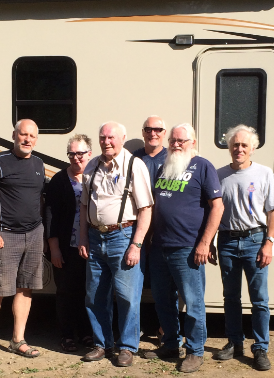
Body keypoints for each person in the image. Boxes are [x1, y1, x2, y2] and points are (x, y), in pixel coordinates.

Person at [143, 123, 224, 373]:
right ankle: (169, 344)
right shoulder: (164, 167)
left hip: (187, 248)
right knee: (163, 301)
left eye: (182, 140)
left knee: (193, 302)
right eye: (174, 140)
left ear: (193, 143)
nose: (176, 144)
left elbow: (217, 207)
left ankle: (195, 350)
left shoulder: (203, 166)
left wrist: (205, 242)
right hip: (159, 247)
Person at [79, 121, 154, 367]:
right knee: (95, 295)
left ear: (122, 138)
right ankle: (102, 344)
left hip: (123, 237)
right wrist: (82, 237)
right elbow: (83, 208)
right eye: (102, 137)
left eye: (111, 137)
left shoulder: (134, 165)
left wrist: (137, 245)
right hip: (94, 237)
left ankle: (127, 347)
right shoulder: (91, 166)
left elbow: (145, 209)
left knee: (127, 296)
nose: (106, 141)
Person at [215, 124, 274, 371]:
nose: (239, 149)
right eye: (235, 144)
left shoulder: (265, 174)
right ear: (229, 147)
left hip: (256, 241)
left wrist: (269, 243)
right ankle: (235, 342)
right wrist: (211, 242)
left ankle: (260, 348)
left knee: (260, 300)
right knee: (231, 297)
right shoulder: (219, 175)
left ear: (252, 148)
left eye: (244, 145)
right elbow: (213, 212)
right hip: (227, 241)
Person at [0, 119, 45, 362]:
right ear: (14, 135)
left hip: (34, 234)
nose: (27, 140)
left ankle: (18, 340)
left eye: (32, 136)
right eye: (23, 135)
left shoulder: (38, 163)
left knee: (25, 289)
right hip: (6, 234)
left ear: (36, 139)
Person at [45, 134, 94, 352]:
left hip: (92, 246)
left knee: (87, 291)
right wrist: (54, 248)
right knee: (65, 291)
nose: (76, 158)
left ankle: (85, 332)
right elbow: (51, 217)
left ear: (89, 154)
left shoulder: (96, 176)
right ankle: (66, 334)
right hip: (66, 246)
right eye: (72, 154)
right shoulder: (58, 181)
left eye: (81, 153)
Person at [132, 115, 167, 344]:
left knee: (165, 285)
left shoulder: (173, 159)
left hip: (165, 232)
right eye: (148, 129)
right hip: (138, 230)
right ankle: (133, 333)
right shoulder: (134, 158)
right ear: (143, 132)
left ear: (164, 132)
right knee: (135, 283)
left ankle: (166, 331)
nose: (152, 133)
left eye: (157, 129)